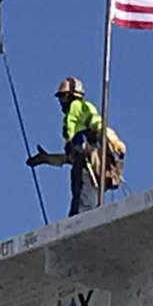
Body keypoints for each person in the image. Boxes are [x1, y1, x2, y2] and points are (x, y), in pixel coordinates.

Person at [26, 78, 124, 216]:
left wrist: (113, 139)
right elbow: (71, 157)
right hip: (83, 163)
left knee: (85, 205)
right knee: (80, 201)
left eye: (63, 97)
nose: (61, 102)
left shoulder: (78, 107)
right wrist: (47, 159)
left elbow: (97, 123)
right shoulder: (72, 122)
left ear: (72, 95)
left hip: (88, 165)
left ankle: (81, 226)